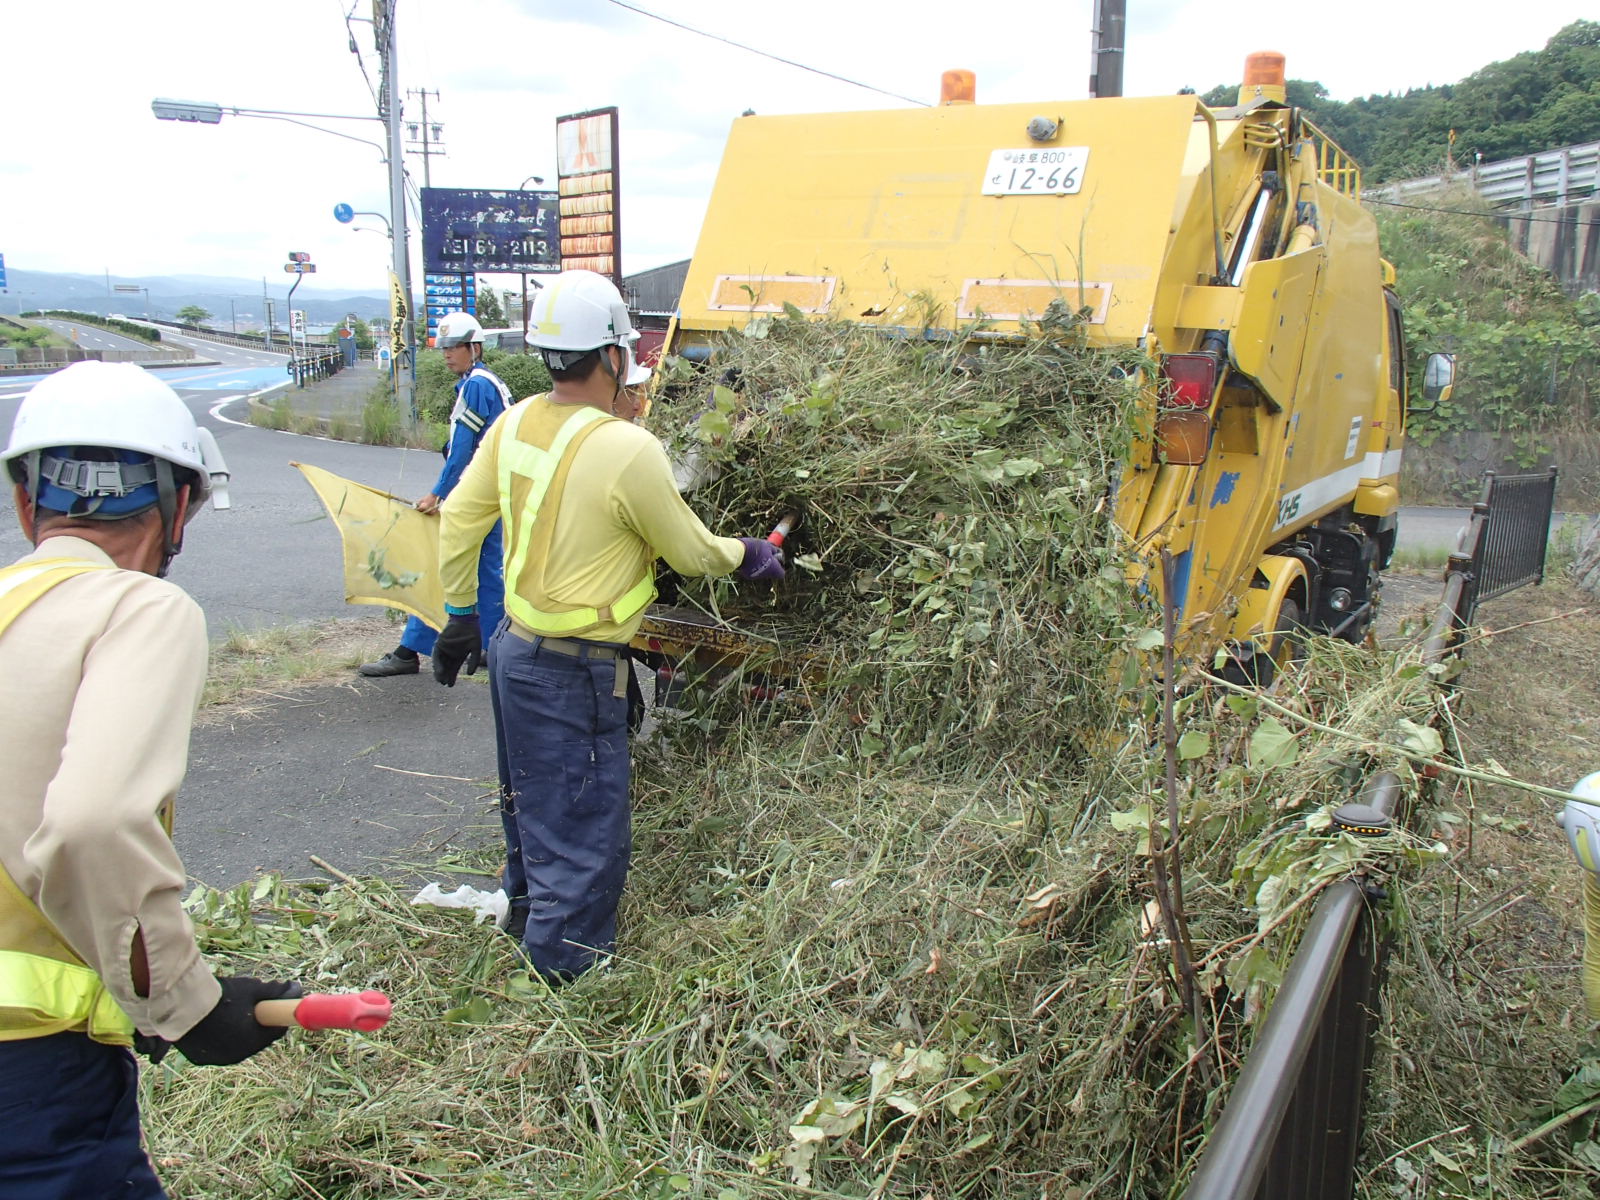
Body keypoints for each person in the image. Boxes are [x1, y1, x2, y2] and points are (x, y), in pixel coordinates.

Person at [429, 270, 785, 981]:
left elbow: (461, 519)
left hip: (512, 650)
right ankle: (569, 979)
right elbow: (688, 551)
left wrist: (460, 614)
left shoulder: (516, 420)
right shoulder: (628, 449)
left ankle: (526, 919)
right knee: (583, 828)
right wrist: (750, 555)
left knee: (529, 799)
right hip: (574, 669)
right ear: (613, 358)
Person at [0, 362, 300, 1198]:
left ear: (27, 503)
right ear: (179, 507)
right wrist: (185, 1005)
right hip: (28, 1075)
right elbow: (92, 824)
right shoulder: (141, 608)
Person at [361, 310, 510, 676]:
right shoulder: (484, 382)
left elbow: (463, 449)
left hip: (474, 494)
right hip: (494, 491)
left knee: (442, 565)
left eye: (455, 346)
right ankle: (495, 646)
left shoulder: (477, 384)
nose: (446, 353)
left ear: (475, 347)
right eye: (443, 346)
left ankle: (409, 650)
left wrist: (438, 493)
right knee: (487, 571)